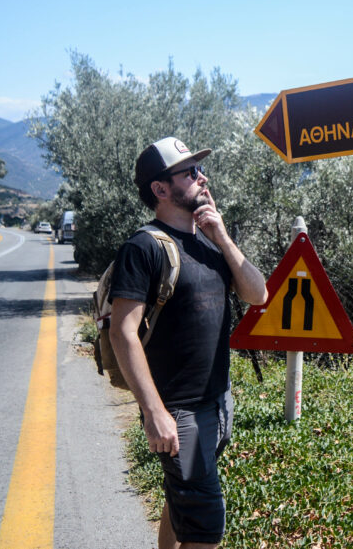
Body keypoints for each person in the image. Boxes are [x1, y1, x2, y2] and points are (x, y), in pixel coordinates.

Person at [109, 136, 268, 549]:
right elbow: (123, 332)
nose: (202, 178)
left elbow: (258, 294)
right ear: (160, 189)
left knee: (182, 503)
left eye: (199, 170)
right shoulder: (143, 248)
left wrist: (223, 236)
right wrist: (153, 411)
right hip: (181, 414)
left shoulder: (210, 243)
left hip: (217, 403)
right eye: (190, 172)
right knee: (205, 528)